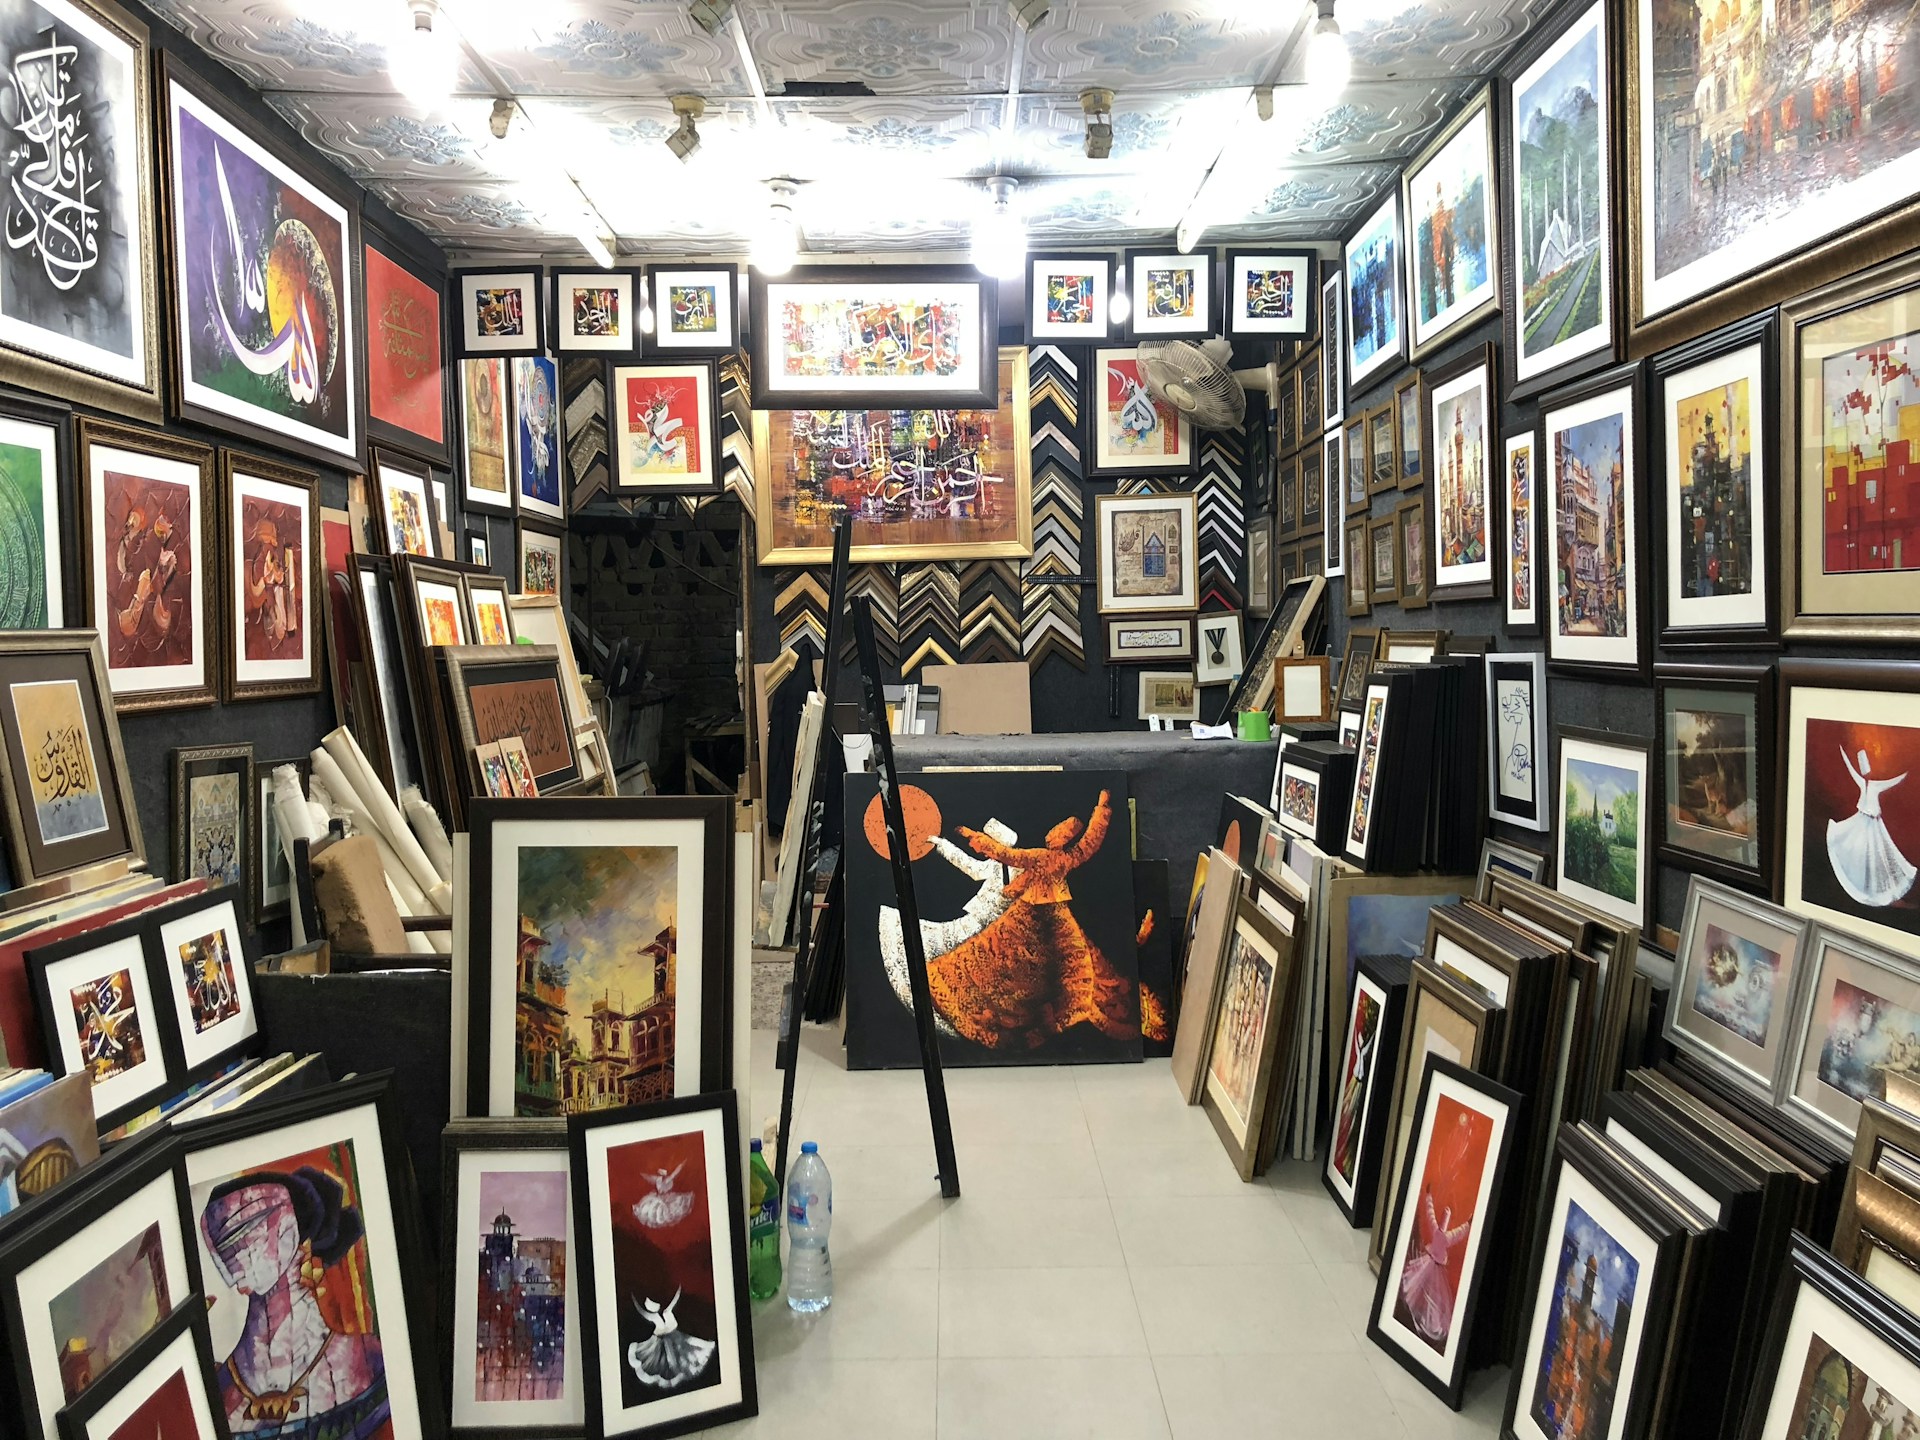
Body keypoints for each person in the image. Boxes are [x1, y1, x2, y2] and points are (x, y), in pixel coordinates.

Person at [199, 1167, 389, 1438]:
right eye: (218, 1239)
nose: (227, 1251)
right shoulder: (216, 1391)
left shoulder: (370, 1361)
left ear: (289, 1232)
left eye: (241, 1232)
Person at [1827, 747, 1917, 908]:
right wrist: (1844, 755)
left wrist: (1907, 773)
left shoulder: (1875, 785)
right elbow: (1851, 769)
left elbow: (1892, 782)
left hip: (1873, 823)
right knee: (1863, 852)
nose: (1866, 774)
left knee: (1877, 853)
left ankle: (1877, 889)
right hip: (1863, 820)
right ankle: (1866, 888)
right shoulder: (1864, 782)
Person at [627, 1288, 714, 1390]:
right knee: (673, 1358)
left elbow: (646, 1311)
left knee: (677, 1355)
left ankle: (677, 1372)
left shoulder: (664, 1314)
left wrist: (678, 1291)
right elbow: (644, 1312)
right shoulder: (660, 1316)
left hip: (671, 1338)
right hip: (665, 1340)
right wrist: (635, 1301)